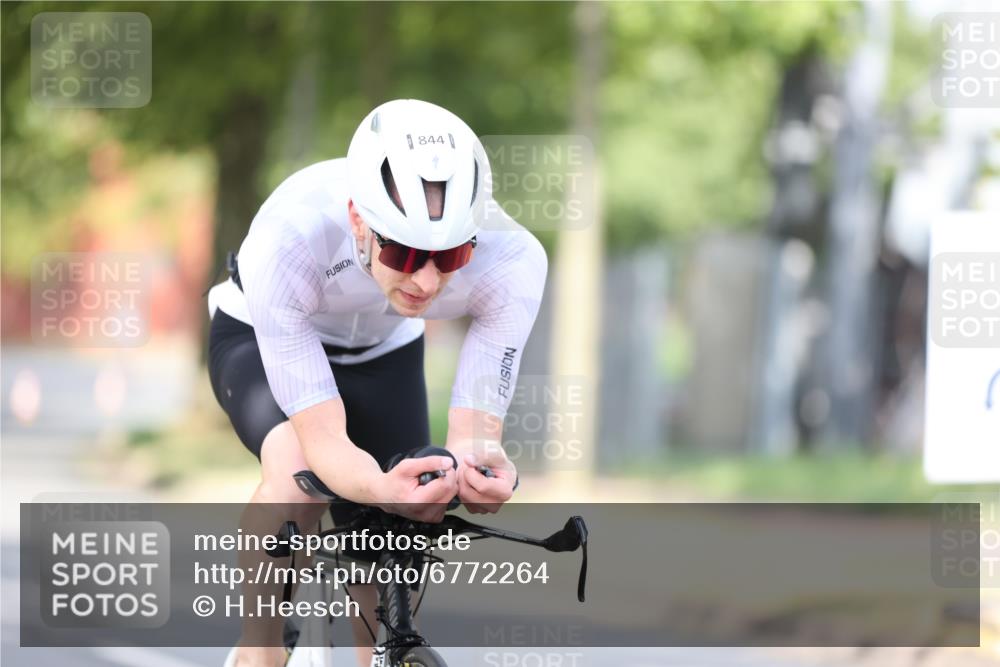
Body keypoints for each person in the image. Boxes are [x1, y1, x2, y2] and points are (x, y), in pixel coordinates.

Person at [206, 99, 547, 667]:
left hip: (385, 351)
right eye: (403, 251)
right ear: (359, 220)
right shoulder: (289, 236)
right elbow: (327, 445)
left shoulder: (511, 261)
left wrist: (479, 465)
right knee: (298, 472)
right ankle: (259, 652)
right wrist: (379, 483)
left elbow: (473, 436)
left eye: (451, 255)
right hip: (260, 340)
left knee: (400, 525)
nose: (427, 278)